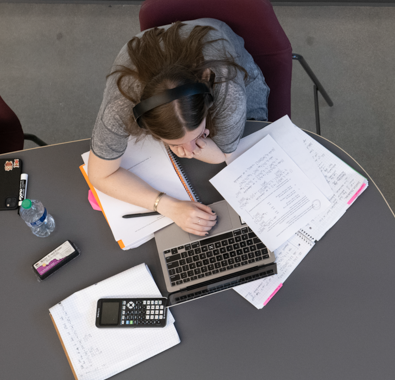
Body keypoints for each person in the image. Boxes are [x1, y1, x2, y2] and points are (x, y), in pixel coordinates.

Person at [87, 19, 269, 237]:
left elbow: (225, 154)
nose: (188, 149)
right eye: (175, 142)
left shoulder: (227, 89)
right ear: (145, 125)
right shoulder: (120, 106)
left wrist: (199, 149)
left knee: (252, 141)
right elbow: (99, 176)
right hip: (161, 60)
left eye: (197, 134)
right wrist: (166, 205)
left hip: (234, 69)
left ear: (208, 103)